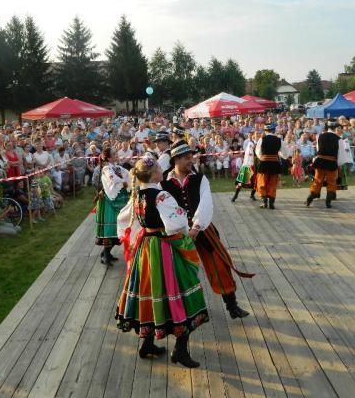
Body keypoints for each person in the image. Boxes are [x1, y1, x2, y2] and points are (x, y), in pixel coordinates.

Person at [116, 154, 209, 368]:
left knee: (150, 291)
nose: (162, 170)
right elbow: (176, 224)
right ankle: (180, 351)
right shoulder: (161, 195)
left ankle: (147, 344)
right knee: (179, 293)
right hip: (162, 248)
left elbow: (123, 218)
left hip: (145, 248)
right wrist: (185, 233)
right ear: (154, 174)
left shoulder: (137, 194)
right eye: (159, 168)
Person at [162, 141, 254, 319]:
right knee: (178, 270)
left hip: (202, 228)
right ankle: (181, 309)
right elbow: (164, 208)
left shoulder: (200, 179)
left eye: (192, 157)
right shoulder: (163, 183)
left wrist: (196, 227)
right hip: (177, 232)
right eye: (187, 158)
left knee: (219, 264)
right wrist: (180, 229)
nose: (191, 161)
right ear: (176, 159)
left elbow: (205, 203)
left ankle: (232, 306)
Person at [95, 148, 130, 266]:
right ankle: (106, 254)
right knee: (110, 228)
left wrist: (131, 178)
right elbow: (112, 179)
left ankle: (106, 253)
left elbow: (127, 174)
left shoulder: (117, 167)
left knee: (119, 226)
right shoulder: (106, 169)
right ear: (109, 158)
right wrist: (123, 182)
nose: (117, 155)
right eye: (114, 154)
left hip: (119, 199)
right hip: (110, 201)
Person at [306, 120, 349, 208]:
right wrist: (339, 164)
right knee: (331, 181)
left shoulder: (320, 136)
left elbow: (318, 149)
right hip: (331, 162)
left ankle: (311, 196)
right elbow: (340, 153)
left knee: (317, 180)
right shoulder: (338, 139)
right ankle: (328, 201)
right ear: (335, 128)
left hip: (320, 161)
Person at [255, 123, 282, 209]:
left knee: (261, 182)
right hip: (275, 164)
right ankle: (271, 203)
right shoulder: (279, 140)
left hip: (264, 164)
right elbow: (285, 153)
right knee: (273, 183)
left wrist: (262, 157)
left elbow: (258, 152)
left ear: (265, 131)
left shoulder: (262, 139)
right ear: (273, 130)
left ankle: (264, 202)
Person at [231, 131, 258, 202]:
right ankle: (235, 195)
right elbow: (250, 154)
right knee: (241, 181)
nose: (257, 136)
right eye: (256, 135)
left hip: (255, 166)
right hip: (247, 166)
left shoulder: (258, 144)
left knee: (256, 181)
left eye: (258, 135)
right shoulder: (250, 145)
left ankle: (252, 195)